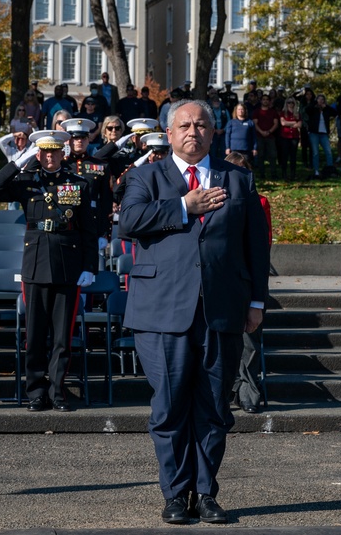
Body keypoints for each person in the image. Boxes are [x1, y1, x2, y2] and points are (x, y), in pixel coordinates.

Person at [119, 99, 269, 525]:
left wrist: (256, 301)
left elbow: (255, 245)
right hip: (161, 311)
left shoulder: (238, 179)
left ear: (213, 132)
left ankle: (205, 493)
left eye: (201, 125)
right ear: (169, 134)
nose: (193, 131)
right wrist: (186, 206)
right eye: (184, 125)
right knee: (169, 407)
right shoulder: (145, 175)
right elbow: (129, 221)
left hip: (221, 310)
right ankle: (175, 492)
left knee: (214, 408)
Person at [0, 130, 99, 412]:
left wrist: (89, 267)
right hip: (35, 264)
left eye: (54, 151)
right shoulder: (26, 182)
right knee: (34, 334)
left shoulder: (78, 184)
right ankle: (36, 391)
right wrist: (16, 162)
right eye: (44, 152)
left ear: (63, 153)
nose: (49, 156)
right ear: (38, 154)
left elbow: (88, 229)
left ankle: (58, 391)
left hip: (67, 264)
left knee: (61, 336)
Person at [224, 151, 271, 414]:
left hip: (250, 278)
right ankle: (232, 388)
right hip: (223, 279)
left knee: (251, 340)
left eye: (244, 171)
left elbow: (263, 245)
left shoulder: (260, 202)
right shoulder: (214, 199)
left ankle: (249, 391)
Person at [305, 94, 336, 179]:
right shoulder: (313, 109)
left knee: (328, 151)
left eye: (322, 99)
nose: (320, 101)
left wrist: (326, 107)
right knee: (315, 152)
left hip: (324, 133)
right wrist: (315, 104)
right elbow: (307, 110)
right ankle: (316, 170)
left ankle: (330, 170)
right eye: (319, 99)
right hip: (314, 133)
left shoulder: (326, 110)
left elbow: (334, 113)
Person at [252, 93, 279, 180]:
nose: (265, 101)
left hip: (270, 137)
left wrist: (269, 131)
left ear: (269, 101)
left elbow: (276, 123)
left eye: (267, 99)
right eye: (263, 99)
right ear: (261, 101)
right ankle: (262, 174)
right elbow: (255, 123)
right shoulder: (257, 111)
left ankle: (273, 174)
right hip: (259, 136)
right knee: (260, 156)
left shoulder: (273, 112)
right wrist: (262, 132)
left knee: (273, 156)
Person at [277, 98, 302, 180]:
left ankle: (293, 174)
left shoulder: (297, 113)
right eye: (289, 103)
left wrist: (290, 124)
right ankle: (284, 174)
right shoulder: (283, 113)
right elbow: (283, 123)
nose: (290, 104)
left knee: (293, 156)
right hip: (285, 137)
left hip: (294, 137)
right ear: (286, 104)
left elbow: (299, 124)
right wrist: (294, 122)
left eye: (292, 103)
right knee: (284, 155)